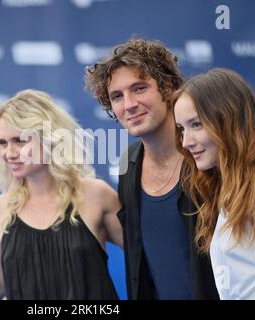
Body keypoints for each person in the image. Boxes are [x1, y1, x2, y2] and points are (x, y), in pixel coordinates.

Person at [85, 38, 218, 299]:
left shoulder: (208, 156)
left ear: (167, 87)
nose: (129, 104)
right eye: (117, 97)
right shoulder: (128, 164)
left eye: (139, 88)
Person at [173, 68, 255, 299]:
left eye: (197, 124)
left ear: (228, 122)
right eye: (182, 128)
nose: (186, 141)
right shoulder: (234, 193)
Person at [0, 89, 123, 300]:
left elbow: (147, 258)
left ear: (49, 138)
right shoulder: (1, 208)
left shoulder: (95, 195)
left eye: (20, 140)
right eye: (3, 143)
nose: (9, 153)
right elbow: (0, 286)